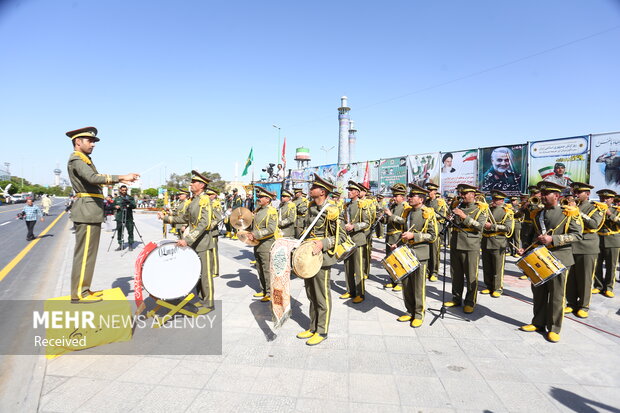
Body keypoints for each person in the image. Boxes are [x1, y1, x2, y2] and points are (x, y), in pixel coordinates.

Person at [66, 127, 139, 303]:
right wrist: (121, 177)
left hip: (90, 211)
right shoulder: (77, 159)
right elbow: (93, 178)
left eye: (93, 141)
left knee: (88, 254)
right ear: (78, 142)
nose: (93, 144)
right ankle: (79, 293)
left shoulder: (84, 159)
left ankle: (84, 288)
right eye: (89, 141)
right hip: (86, 211)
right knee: (84, 254)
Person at [517, 181, 583, 342]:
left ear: (557, 196)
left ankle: (554, 328)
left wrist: (553, 239)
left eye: (546, 194)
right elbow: (533, 235)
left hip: (559, 259)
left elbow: (577, 235)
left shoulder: (569, 213)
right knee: (538, 293)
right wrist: (525, 249)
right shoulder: (537, 213)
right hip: (539, 258)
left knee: (556, 295)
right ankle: (538, 322)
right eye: (542, 193)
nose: (543, 196)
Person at [296, 175, 344, 346]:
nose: (310, 189)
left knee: (321, 295)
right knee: (311, 294)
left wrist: (323, 243)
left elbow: (341, 237)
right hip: (309, 256)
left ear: (322, 192)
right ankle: (312, 326)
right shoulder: (311, 207)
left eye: (314, 187)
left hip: (322, 258)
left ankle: (322, 331)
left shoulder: (331, 210)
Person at [158, 170, 214, 311]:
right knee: (198, 273)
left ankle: (209, 303)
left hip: (203, 243)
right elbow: (184, 219)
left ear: (201, 185)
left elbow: (205, 223)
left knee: (206, 275)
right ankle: (201, 299)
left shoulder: (204, 200)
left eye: (193, 182)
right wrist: (165, 218)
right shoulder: (193, 201)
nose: (191, 184)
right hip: (194, 242)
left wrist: (187, 239)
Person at [398, 184, 437, 327]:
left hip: (420, 254)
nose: (409, 198)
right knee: (406, 285)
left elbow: (433, 236)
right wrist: (398, 242)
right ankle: (409, 311)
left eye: (412, 196)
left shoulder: (428, 213)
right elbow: (404, 231)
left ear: (421, 199)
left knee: (418, 286)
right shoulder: (408, 212)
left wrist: (414, 235)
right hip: (406, 253)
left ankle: (419, 313)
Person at [444, 183, 488, 313]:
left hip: (471, 245)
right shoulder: (457, 205)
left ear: (473, 194)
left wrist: (464, 216)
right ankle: (456, 297)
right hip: (456, 243)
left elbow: (480, 226)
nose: (461, 196)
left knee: (471, 275)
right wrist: (449, 218)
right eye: (461, 194)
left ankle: (470, 301)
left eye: (464, 194)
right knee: (456, 274)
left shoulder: (481, 208)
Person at [564, 182, 605, 318]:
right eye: (574, 192)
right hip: (571, 245)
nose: (575, 194)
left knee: (585, 278)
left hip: (587, 246)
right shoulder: (568, 205)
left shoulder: (595, 208)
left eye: (579, 192)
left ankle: (583, 306)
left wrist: (578, 212)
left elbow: (594, 225)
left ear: (587, 194)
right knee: (570, 278)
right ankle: (571, 303)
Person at [245, 186, 278, 301]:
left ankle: (269, 292)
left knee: (266, 268)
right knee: (259, 267)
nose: (258, 198)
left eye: (261, 197)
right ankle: (263, 289)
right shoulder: (258, 210)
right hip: (257, 243)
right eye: (258, 196)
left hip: (266, 243)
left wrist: (256, 234)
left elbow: (271, 229)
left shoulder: (271, 211)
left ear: (268, 199)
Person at [342, 181, 371, 303]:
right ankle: (350, 290)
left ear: (357, 193)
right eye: (348, 190)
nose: (349, 192)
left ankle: (360, 293)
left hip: (358, 240)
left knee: (358, 268)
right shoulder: (347, 206)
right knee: (348, 267)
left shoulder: (362, 205)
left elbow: (367, 222)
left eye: (351, 190)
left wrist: (354, 226)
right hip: (348, 240)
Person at [481, 190, 514, 297]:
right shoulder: (487, 209)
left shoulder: (506, 212)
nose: (494, 201)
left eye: (497, 199)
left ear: (502, 200)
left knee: (497, 267)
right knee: (487, 266)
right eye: (494, 199)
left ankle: (497, 288)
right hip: (486, 240)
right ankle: (489, 286)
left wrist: (492, 226)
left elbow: (508, 228)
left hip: (498, 242)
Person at [383, 183, 410, 291]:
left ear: (402, 197)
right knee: (390, 259)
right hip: (389, 236)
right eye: (393, 195)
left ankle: (400, 282)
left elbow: (404, 221)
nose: (393, 198)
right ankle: (393, 280)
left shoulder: (406, 207)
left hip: (398, 236)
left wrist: (391, 215)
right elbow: (387, 220)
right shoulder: (393, 206)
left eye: (396, 196)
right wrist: (382, 218)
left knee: (398, 259)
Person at [594, 189, 619, 298]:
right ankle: (598, 286)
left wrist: (610, 214)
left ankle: (609, 287)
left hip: (612, 240)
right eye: (602, 198)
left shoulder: (617, 210)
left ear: (612, 199)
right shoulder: (595, 209)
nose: (604, 200)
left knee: (611, 266)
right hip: (598, 239)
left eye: (607, 198)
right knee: (597, 265)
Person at [424, 182, 448, 282]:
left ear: (435, 191)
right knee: (427, 252)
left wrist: (431, 215)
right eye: (428, 190)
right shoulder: (426, 202)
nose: (428, 192)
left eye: (430, 191)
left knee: (434, 253)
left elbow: (443, 216)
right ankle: (427, 271)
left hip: (436, 229)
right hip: (426, 230)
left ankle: (434, 272)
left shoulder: (440, 202)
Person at [113, 185, 137, 251]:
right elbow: (112, 206)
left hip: (128, 217)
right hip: (120, 217)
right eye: (122, 190)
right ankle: (120, 245)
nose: (124, 191)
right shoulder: (117, 198)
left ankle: (130, 244)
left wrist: (129, 204)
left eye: (125, 190)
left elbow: (134, 206)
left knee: (130, 231)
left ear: (127, 190)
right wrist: (115, 207)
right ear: (120, 190)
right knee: (120, 231)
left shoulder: (130, 198)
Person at [206, 187, 222, 278]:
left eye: (210, 195)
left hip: (213, 231)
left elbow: (218, 218)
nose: (208, 196)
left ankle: (215, 271)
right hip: (206, 232)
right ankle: (209, 269)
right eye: (207, 194)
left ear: (214, 195)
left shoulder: (216, 204)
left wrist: (210, 226)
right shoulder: (207, 203)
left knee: (214, 251)